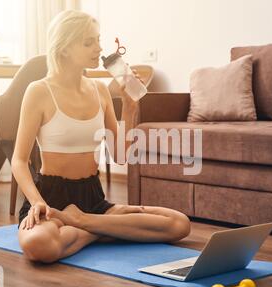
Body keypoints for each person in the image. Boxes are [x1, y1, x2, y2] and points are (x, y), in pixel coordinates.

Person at [11, 10, 191, 263]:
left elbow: (119, 155)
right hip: (52, 196)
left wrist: (129, 107)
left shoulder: (100, 90)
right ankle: (106, 229)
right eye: (88, 42)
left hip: (91, 196)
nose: (98, 48)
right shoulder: (38, 91)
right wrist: (37, 202)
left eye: (98, 40)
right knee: (39, 245)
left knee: (179, 224)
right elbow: (19, 160)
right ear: (63, 48)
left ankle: (82, 223)